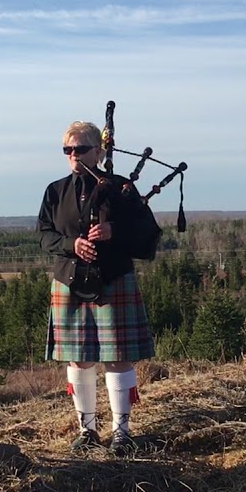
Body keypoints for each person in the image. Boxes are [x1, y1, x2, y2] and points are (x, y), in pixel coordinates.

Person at [38, 121, 158, 456]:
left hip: (113, 278)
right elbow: (44, 234)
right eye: (68, 150)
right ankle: (87, 430)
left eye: (80, 149)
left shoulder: (121, 189)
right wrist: (71, 244)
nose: (73, 155)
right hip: (70, 280)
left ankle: (122, 433)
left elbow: (148, 234)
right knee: (79, 360)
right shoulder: (55, 191)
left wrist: (113, 231)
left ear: (98, 151)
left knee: (117, 358)